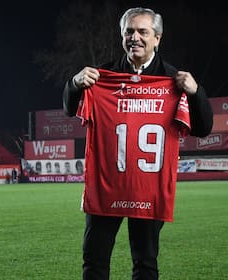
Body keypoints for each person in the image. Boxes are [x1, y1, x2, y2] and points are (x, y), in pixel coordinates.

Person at [62, 7, 213, 280]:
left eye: (143, 31)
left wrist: (196, 92)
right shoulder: (102, 76)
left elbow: (203, 128)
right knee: (93, 260)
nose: (135, 37)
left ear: (157, 38)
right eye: (129, 31)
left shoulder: (173, 80)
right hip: (106, 186)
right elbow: (69, 109)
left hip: (147, 189)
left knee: (145, 264)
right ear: (121, 36)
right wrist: (74, 84)